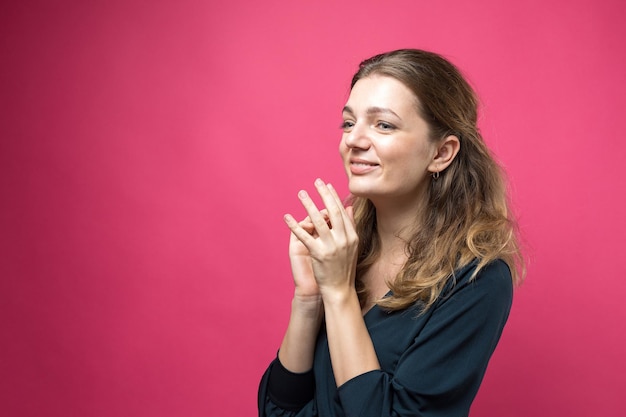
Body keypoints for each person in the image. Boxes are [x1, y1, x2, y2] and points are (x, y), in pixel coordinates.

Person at [258, 49, 524, 417]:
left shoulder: (477, 279)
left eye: (383, 125)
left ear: (441, 153)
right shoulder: (347, 247)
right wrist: (309, 299)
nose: (354, 140)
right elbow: (277, 410)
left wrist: (339, 293)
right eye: (349, 123)